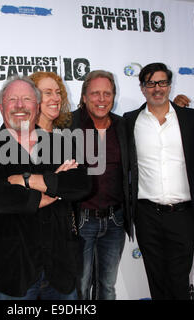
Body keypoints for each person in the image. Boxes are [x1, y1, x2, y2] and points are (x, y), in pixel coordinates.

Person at [0, 75, 91, 300]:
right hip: (14, 273)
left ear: (37, 106)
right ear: (1, 106)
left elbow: (81, 185)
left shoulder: (61, 143)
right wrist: (55, 187)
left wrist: (25, 181)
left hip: (61, 271)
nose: (19, 106)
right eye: (12, 99)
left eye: (26, 99)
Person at [123, 63, 194, 300]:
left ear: (169, 85)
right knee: (156, 281)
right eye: (150, 83)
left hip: (183, 215)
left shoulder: (190, 118)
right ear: (142, 88)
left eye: (162, 82)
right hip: (147, 216)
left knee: (178, 282)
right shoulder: (129, 121)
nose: (157, 88)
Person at [69, 70, 132, 300]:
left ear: (114, 96)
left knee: (107, 286)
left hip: (115, 220)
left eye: (107, 93)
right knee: (81, 286)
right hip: (81, 218)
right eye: (95, 93)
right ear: (84, 96)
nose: (102, 99)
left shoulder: (123, 125)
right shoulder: (68, 124)